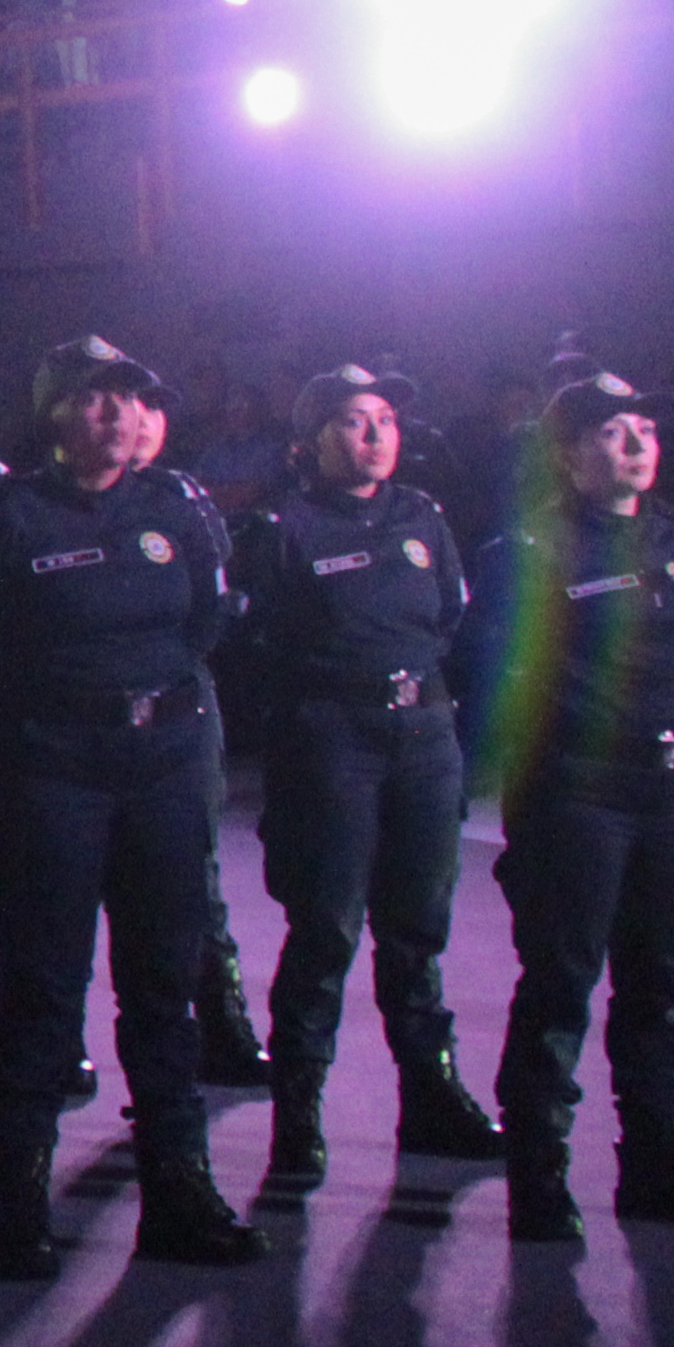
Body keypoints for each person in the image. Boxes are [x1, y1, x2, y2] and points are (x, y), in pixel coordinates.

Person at [0, 335, 264, 1280]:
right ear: (58, 413)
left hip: (160, 766)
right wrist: (52, 698)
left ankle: (179, 1190)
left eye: (129, 397)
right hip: (54, 773)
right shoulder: (9, 518)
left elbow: (211, 616)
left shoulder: (177, 506)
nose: (116, 413)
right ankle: (23, 1203)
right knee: (41, 991)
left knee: (163, 986)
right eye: (95, 397)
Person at [478, 373, 674, 1242]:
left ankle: (658, 1164)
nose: (637, 441)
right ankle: (539, 1177)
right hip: (580, 795)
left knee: (661, 988)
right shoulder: (532, 550)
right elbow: (496, 685)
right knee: (562, 985)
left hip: (672, 792)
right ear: (568, 456)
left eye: (644, 426)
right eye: (610, 431)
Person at [228, 362, 496, 1191]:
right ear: (311, 442)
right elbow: (259, 640)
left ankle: (431, 1097)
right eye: (353, 419)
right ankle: (298, 1117)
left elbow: (450, 614)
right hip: (331, 738)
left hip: (421, 732)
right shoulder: (284, 525)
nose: (376, 432)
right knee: (326, 933)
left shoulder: (423, 516)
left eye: (384, 417)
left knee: (416, 932)